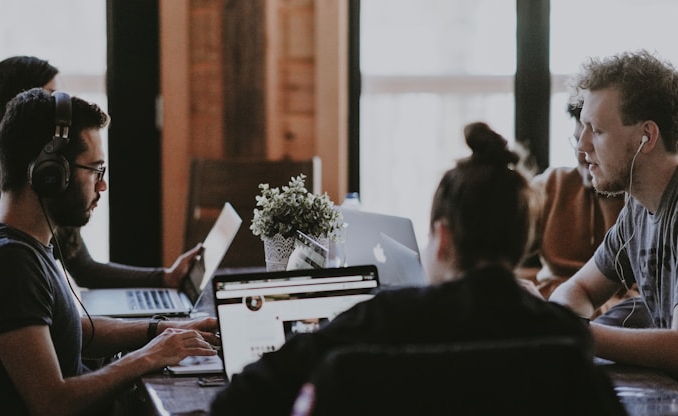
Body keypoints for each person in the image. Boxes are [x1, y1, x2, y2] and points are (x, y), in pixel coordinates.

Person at [210, 122, 593, 414]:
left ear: (442, 239)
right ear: (522, 240)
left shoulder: (382, 320)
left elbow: (237, 400)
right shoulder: (564, 336)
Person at [0, 88, 220, 415]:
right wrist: (148, 357)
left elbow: (75, 328)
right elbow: (52, 403)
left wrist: (161, 330)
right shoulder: (10, 264)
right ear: (49, 174)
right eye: (96, 170)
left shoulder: (8, 238)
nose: (102, 186)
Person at [0, 55, 200, 290]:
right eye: (50, 97)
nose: (63, 112)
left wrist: (166, 277)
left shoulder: (55, 179)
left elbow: (85, 269)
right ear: (20, 105)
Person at [548, 49, 678, 375]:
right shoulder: (637, 207)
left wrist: (574, 333)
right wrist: (562, 324)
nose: (582, 147)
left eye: (598, 130)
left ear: (646, 137)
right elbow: (578, 289)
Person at [520, 99, 652, 328]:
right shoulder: (551, 185)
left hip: (616, 314)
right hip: (562, 303)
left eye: (596, 137)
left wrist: (573, 326)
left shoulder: (640, 204)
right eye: (577, 140)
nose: (581, 152)